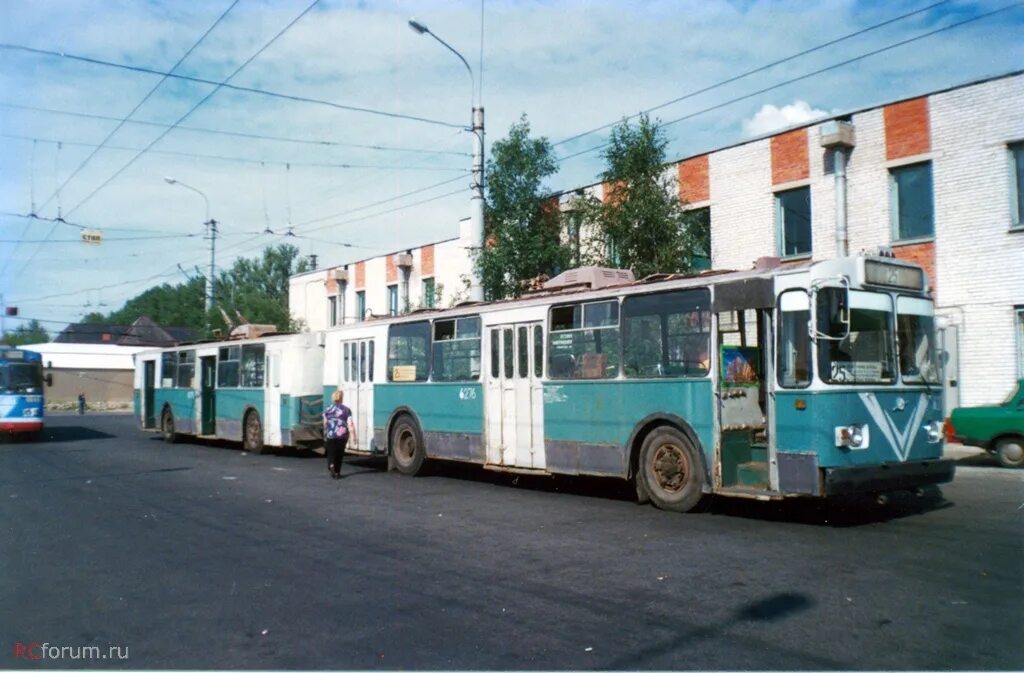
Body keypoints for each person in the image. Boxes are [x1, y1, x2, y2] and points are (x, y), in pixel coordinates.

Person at [323, 389, 356, 479]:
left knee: (331, 453)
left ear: (333, 398)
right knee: (339, 453)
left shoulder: (328, 409)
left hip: (331, 435)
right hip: (342, 435)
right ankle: (337, 472)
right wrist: (353, 436)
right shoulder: (346, 410)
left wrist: (325, 433)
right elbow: (350, 424)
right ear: (341, 398)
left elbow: (325, 423)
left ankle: (331, 465)